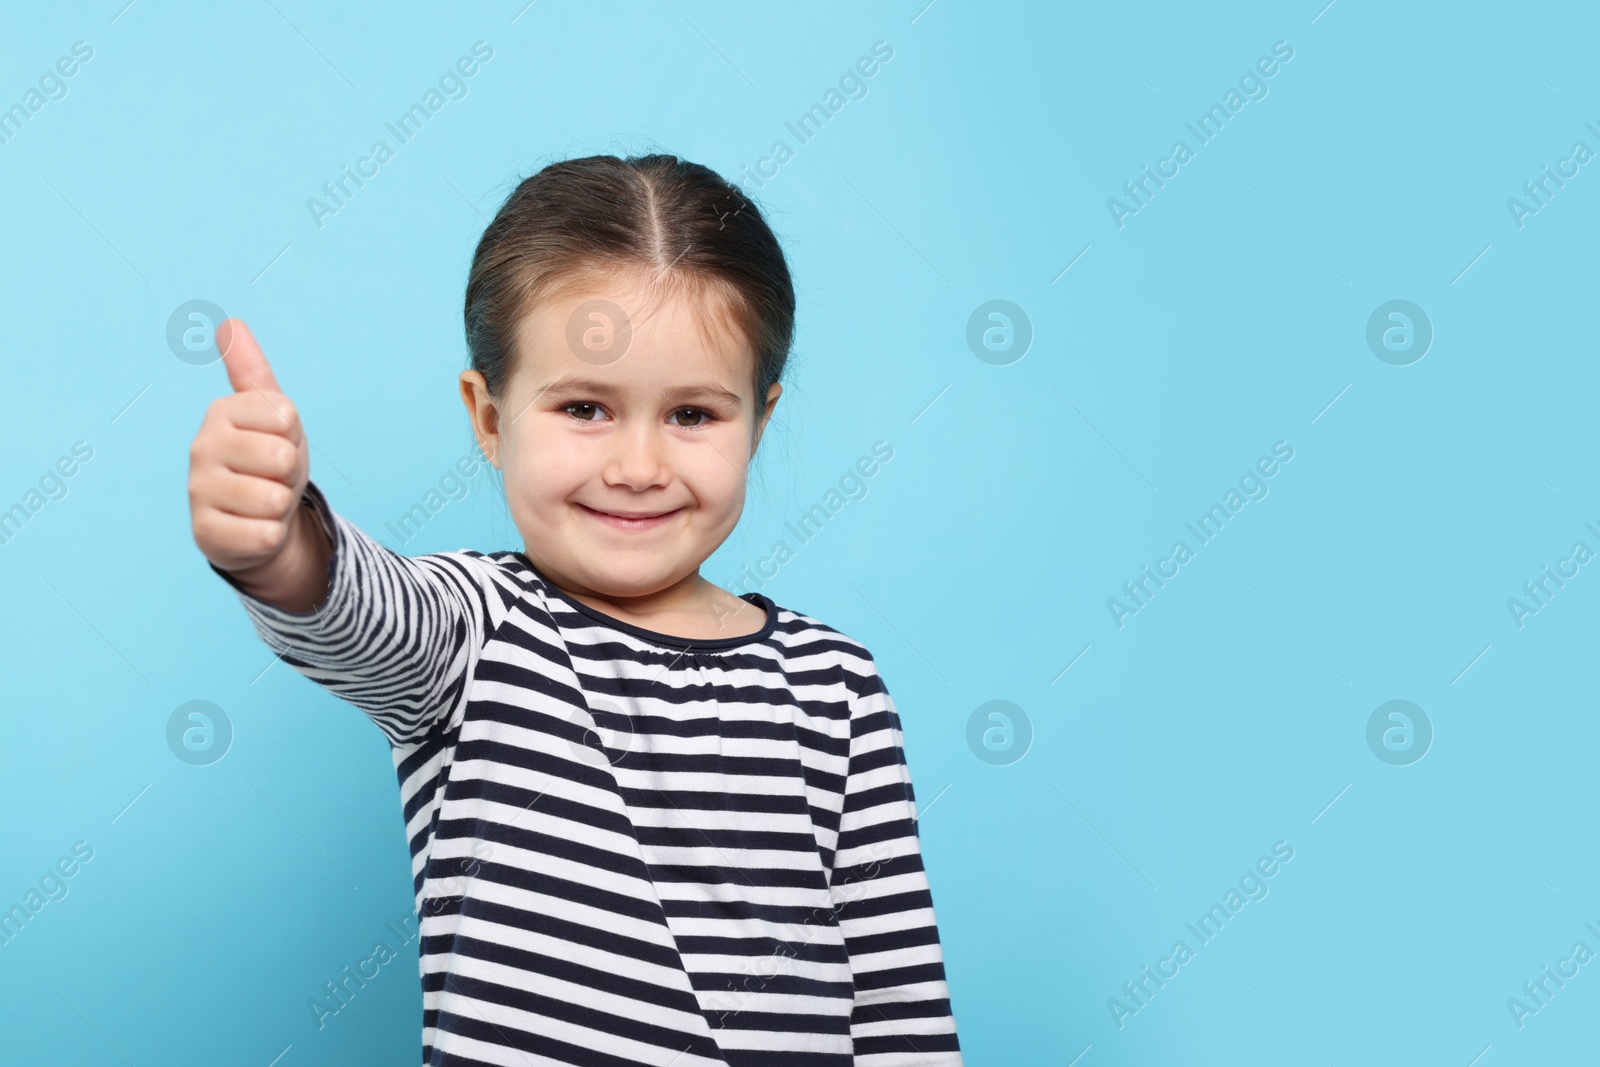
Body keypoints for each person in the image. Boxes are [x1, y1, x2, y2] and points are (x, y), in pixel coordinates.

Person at [188, 153, 962, 1065]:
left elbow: (899, 1001)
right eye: (587, 407)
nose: (638, 466)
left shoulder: (837, 688)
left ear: (760, 417)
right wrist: (279, 547)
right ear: (489, 415)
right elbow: (360, 607)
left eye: (693, 416)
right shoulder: (476, 633)